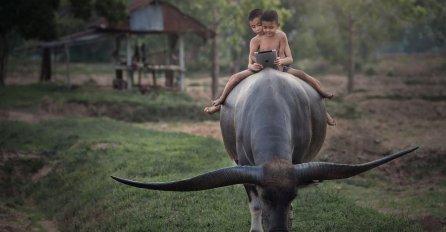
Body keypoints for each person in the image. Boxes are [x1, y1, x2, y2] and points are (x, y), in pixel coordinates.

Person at [204, 9, 336, 125]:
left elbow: (288, 57)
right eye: (253, 27)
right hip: (259, 70)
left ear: (271, 24)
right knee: (234, 78)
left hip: (280, 69)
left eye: (260, 25)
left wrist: (282, 61)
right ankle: (220, 102)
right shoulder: (254, 41)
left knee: (304, 76)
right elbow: (250, 61)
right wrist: (253, 65)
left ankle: (323, 107)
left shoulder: (281, 36)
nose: (258, 29)